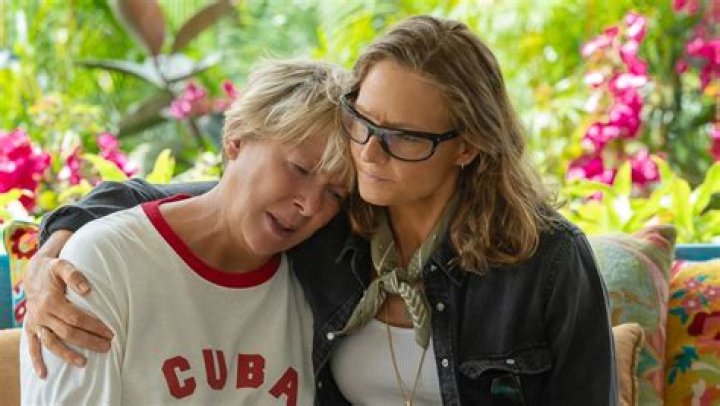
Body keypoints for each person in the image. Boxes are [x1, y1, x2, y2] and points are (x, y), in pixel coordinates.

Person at [23, 15, 618, 405]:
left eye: (404, 138)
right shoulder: (339, 227)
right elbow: (203, 198)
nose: (370, 153)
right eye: (364, 122)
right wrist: (58, 244)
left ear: (467, 146)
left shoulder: (547, 262)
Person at [19, 59, 354, 405]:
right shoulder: (103, 263)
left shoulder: (319, 281)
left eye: (335, 193)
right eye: (299, 169)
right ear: (237, 138)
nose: (310, 205)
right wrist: (56, 245)